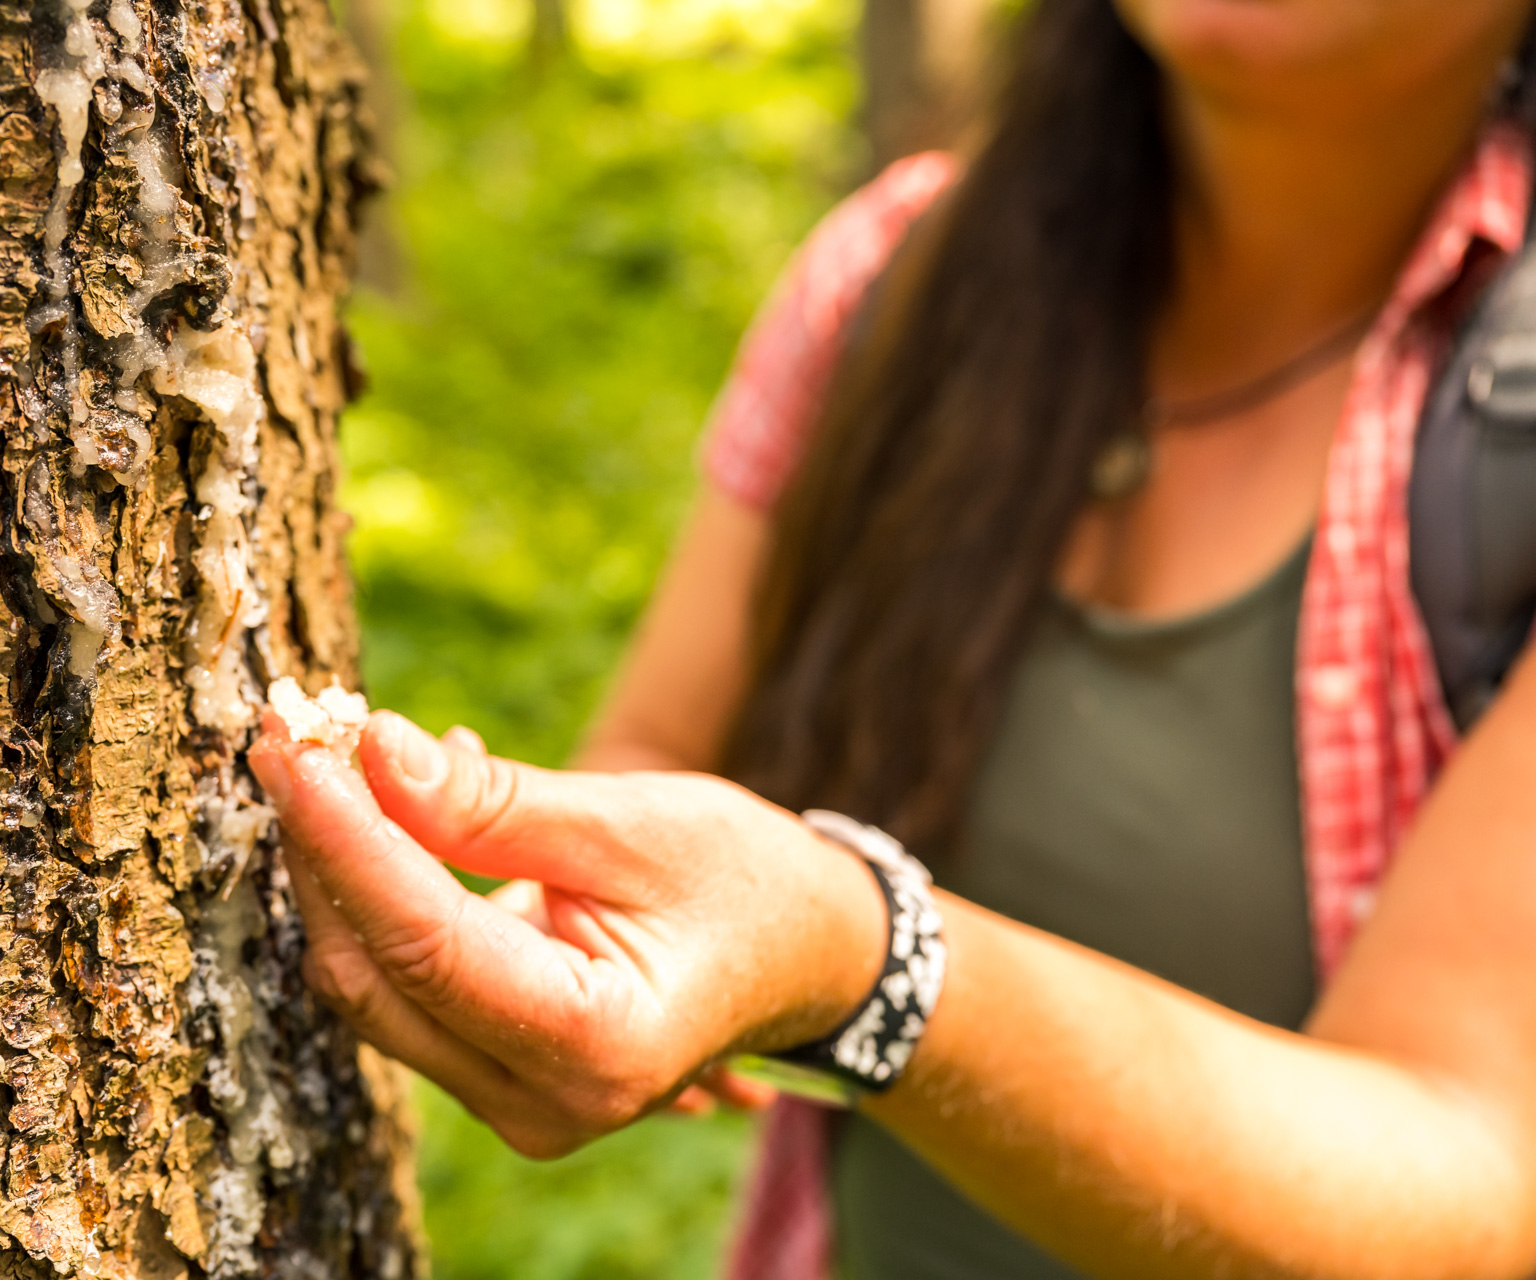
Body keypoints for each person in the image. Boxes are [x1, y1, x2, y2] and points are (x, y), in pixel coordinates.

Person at [250, 0, 1536, 1275]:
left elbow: (1476, 1172)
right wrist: (565, 909)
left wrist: (862, 957)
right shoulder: (898, 280)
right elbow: (666, 744)